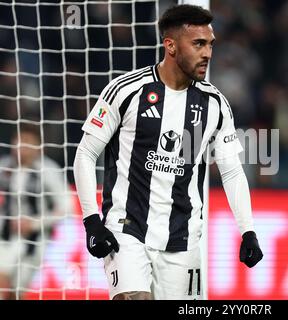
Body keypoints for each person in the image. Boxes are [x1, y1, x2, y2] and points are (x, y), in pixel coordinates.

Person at [73, 4, 263, 300]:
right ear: (171, 46)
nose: (207, 54)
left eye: (210, 44)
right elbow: (85, 153)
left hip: (184, 239)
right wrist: (91, 221)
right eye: (198, 44)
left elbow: (231, 170)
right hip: (127, 229)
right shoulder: (125, 91)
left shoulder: (215, 104)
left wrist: (248, 231)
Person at [0, 124, 69, 300]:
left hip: (35, 241)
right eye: (18, 140)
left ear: (38, 147)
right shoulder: (5, 167)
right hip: (6, 238)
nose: (20, 146)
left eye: (27, 141)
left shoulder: (48, 170)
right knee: (2, 281)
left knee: (17, 292)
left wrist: (33, 223)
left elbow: (67, 207)